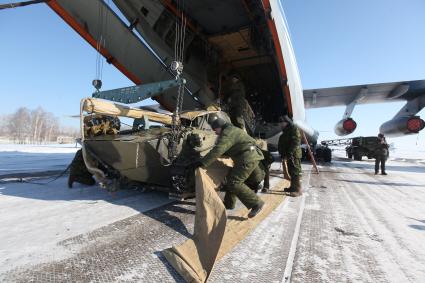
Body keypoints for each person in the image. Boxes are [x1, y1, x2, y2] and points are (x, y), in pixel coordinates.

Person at [191, 117, 265, 218]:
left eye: (215, 130)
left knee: (234, 182)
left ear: (220, 127)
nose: (216, 133)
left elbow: (218, 149)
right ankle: (229, 203)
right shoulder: (233, 130)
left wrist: (202, 162)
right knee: (231, 178)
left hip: (247, 158)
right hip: (249, 156)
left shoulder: (227, 133)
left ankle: (256, 204)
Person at [278, 116, 302, 197]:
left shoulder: (293, 129)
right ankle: (293, 187)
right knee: (291, 171)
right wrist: (283, 153)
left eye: (282, 123)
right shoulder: (286, 131)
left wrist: (290, 152)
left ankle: (298, 190)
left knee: (296, 172)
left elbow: (296, 141)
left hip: (294, 155)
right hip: (289, 155)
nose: (280, 124)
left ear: (287, 122)